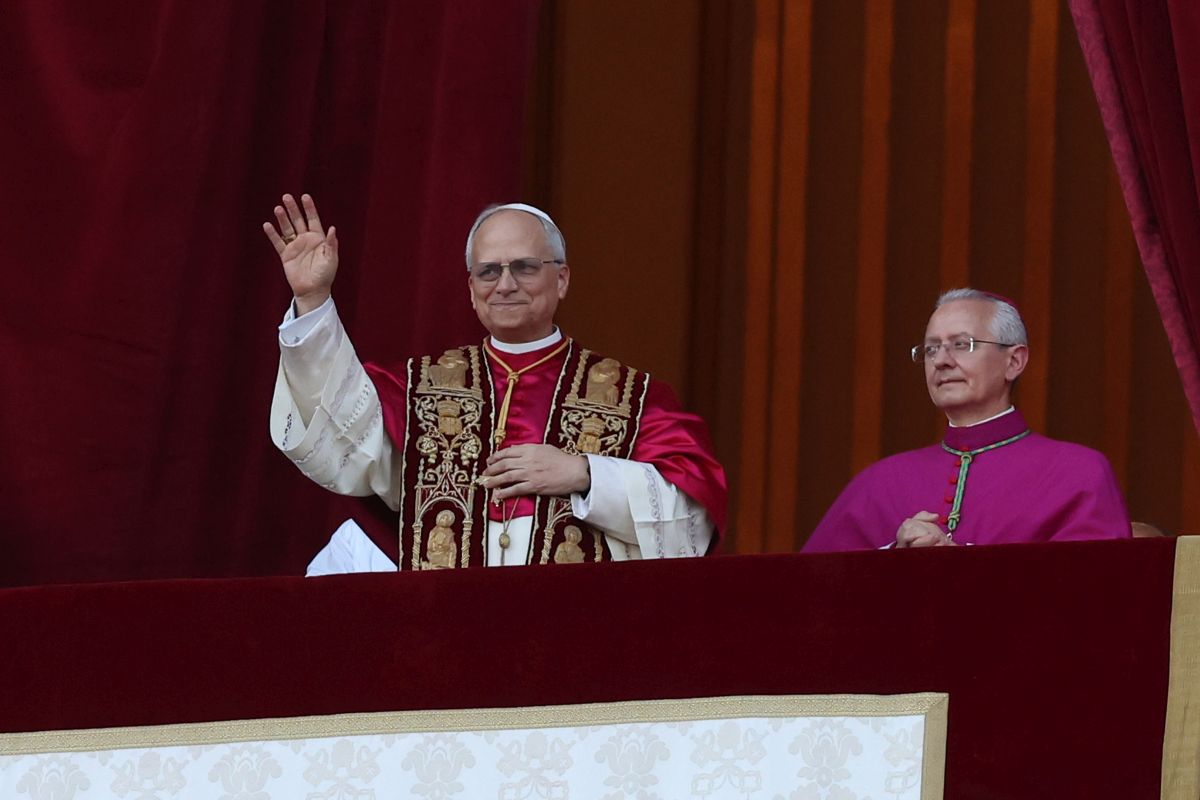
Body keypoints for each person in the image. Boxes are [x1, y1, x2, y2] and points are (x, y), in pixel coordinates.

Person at [263, 194, 727, 570]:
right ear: (470, 288)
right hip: (439, 637)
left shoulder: (635, 398)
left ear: (561, 279)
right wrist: (314, 300)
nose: (505, 284)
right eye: (489, 271)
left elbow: (691, 522)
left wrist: (585, 474)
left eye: (524, 267)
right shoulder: (417, 388)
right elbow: (338, 435)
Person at [803, 288, 1130, 552]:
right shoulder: (879, 483)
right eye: (931, 349)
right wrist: (892, 556)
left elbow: (1093, 595)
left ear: (1014, 362)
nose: (942, 361)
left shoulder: (1077, 473)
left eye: (962, 345)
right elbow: (807, 591)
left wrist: (958, 560)